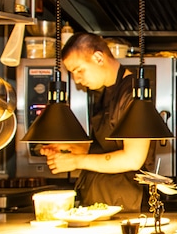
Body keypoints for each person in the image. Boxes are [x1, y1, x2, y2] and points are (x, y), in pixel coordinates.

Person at [39, 32, 150, 211]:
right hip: (101, 200)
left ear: (98, 58)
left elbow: (133, 159)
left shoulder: (132, 95)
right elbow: (108, 146)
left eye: (79, 70)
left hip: (126, 205)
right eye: (72, 73)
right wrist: (72, 149)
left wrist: (76, 162)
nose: (77, 80)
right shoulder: (105, 93)